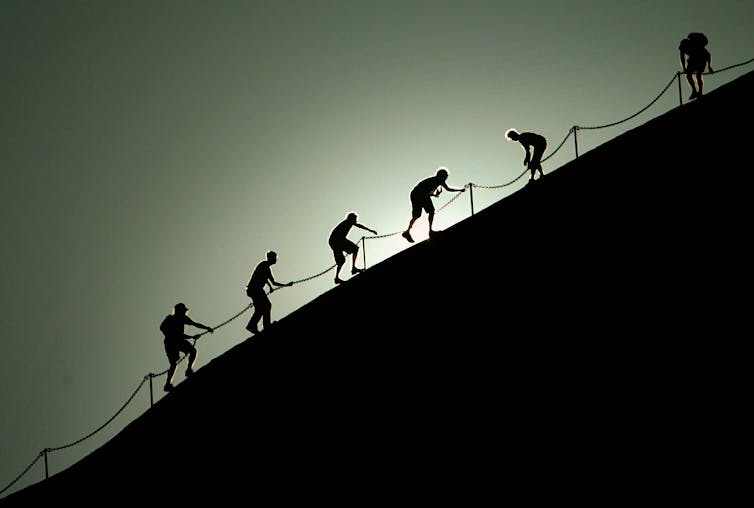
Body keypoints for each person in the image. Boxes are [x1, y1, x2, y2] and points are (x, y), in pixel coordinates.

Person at [159, 302, 214, 392]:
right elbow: (164, 329)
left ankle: (188, 370)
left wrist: (206, 328)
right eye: (183, 311)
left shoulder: (183, 318)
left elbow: (195, 324)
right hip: (170, 343)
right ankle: (168, 384)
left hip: (179, 340)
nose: (184, 312)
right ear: (178, 311)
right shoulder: (170, 319)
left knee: (193, 351)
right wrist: (190, 336)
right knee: (173, 364)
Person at [402, 167, 465, 243]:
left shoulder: (434, 180)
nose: (445, 179)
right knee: (430, 211)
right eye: (445, 176)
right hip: (419, 194)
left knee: (417, 215)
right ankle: (430, 231)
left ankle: (407, 231)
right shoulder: (439, 180)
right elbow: (448, 189)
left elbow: (425, 190)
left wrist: (434, 194)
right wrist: (460, 189)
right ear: (442, 176)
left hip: (416, 194)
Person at [245, 250, 293, 335]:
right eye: (275, 258)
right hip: (255, 289)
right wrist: (286, 285)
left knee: (260, 309)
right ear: (271, 258)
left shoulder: (265, 267)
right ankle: (265, 325)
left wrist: (270, 287)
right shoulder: (264, 265)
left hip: (254, 289)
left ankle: (253, 325)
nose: (276, 259)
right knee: (267, 305)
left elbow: (269, 281)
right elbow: (267, 279)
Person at [329, 212, 378, 284]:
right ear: (351, 218)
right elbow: (337, 236)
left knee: (354, 249)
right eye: (355, 219)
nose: (356, 221)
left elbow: (359, 225)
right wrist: (345, 248)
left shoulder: (349, 222)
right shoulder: (346, 223)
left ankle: (353, 268)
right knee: (341, 260)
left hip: (340, 240)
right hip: (335, 241)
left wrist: (370, 230)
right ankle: (337, 278)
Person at [679, 32, 713, 100]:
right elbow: (682, 57)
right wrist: (684, 68)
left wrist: (709, 66)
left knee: (698, 76)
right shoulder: (684, 45)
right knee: (689, 75)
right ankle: (694, 91)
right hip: (692, 60)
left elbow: (708, 55)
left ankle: (700, 92)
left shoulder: (698, 46)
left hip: (701, 59)